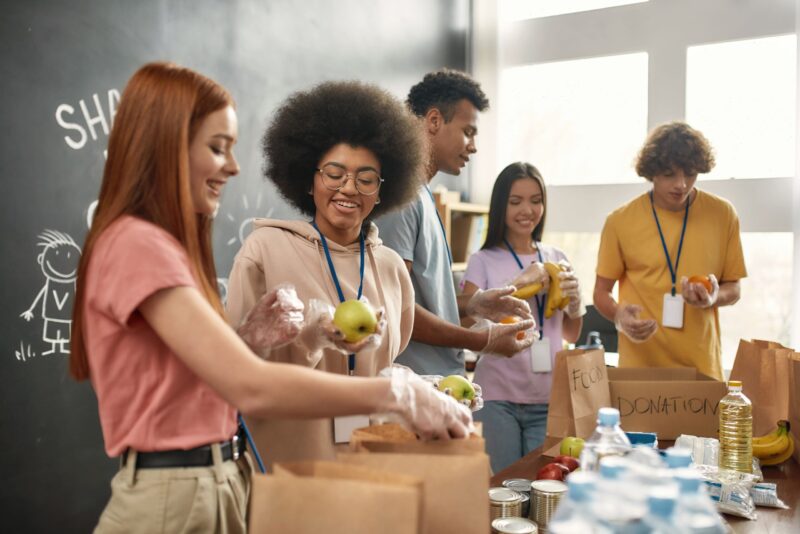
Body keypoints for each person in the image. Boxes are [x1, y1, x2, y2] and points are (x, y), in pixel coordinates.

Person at [69, 62, 472, 533]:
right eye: (217, 148)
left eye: (366, 178)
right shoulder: (138, 244)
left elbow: (197, 382)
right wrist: (397, 392)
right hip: (177, 492)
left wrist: (250, 337)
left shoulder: (156, 244)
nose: (234, 167)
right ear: (166, 144)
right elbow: (250, 386)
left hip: (208, 482)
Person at [226, 80, 442, 467]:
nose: (348, 188)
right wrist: (314, 335)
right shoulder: (264, 251)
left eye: (366, 178)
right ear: (309, 180)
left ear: (381, 191)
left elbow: (384, 362)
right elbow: (237, 363)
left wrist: (427, 389)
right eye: (334, 172)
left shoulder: (391, 267)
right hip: (289, 458)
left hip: (369, 456)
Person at [376, 69, 534, 377]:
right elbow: (395, 308)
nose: (473, 146)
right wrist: (480, 340)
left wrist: (472, 304)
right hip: (414, 385)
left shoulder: (423, 196)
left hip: (437, 383)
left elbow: (423, 297)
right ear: (434, 121)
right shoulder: (401, 198)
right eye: (469, 131)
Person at [593, 121, 747, 381]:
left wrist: (714, 296)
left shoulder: (723, 214)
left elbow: (734, 289)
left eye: (690, 174)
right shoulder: (620, 221)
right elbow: (601, 292)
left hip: (702, 368)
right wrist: (619, 314)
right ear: (651, 172)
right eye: (669, 175)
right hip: (640, 369)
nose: (681, 185)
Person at [461, 162, 584, 473]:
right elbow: (466, 325)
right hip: (497, 396)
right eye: (515, 201)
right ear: (500, 206)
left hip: (549, 398)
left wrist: (575, 304)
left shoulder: (557, 258)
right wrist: (517, 282)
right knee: (505, 486)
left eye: (536, 200)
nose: (527, 210)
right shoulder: (482, 260)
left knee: (545, 484)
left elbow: (571, 334)